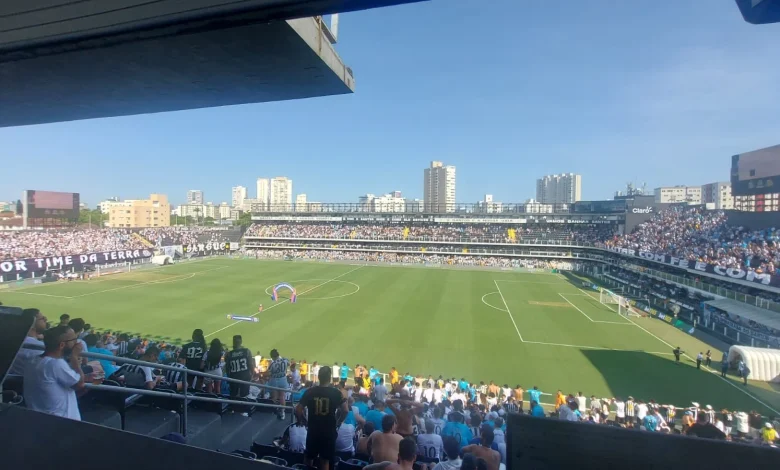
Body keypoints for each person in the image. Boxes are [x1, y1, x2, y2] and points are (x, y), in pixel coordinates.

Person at [23, 325, 85, 420]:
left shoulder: (32, 361)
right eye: (74, 340)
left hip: (39, 419)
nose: (77, 343)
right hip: (62, 423)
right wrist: (74, 358)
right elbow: (80, 384)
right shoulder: (55, 364)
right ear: (61, 345)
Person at [296, 366, 348, 470]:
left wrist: (302, 421)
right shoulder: (336, 393)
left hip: (313, 430)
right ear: (330, 378)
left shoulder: (310, 391)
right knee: (325, 461)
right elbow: (345, 410)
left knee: (308, 459)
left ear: (319, 377)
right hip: (328, 432)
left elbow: (298, 409)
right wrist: (339, 422)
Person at [9, 308, 47, 376]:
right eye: (42, 318)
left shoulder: (11, 341)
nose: (45, 320)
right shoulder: (41, 348)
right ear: (32, 323)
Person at [268, 348, 291, 420]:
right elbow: (289, 364)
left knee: (274, 397)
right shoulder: (285, 360)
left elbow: (269, 373)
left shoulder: (272, 364)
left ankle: (274, 412)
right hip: (283, 380)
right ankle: (282, 412)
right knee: (282, 397)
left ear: (272, 356)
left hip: (274, 381)